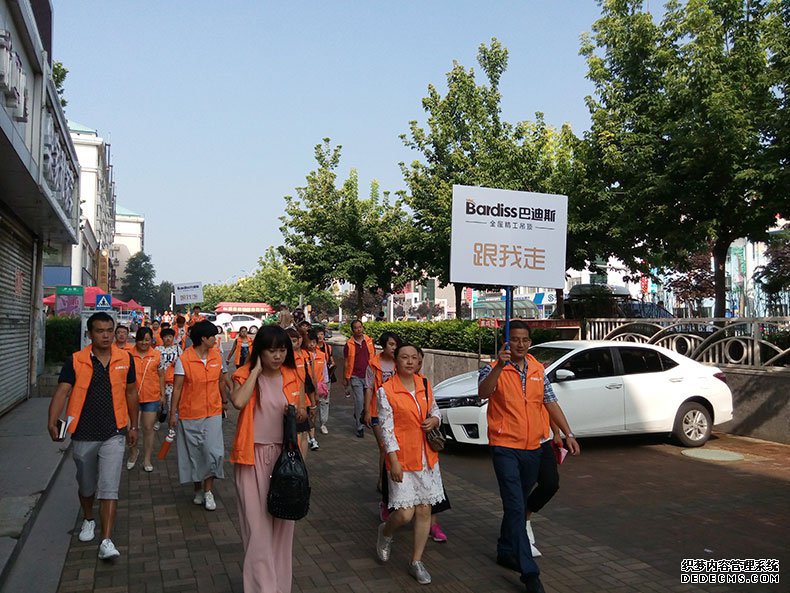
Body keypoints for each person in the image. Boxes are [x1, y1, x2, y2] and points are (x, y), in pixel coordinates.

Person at [477, 320, 580, 593]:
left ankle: (505, 549)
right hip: (505, 447)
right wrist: (499, 367)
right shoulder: (492, 368)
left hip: (533, 448)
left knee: (518, 503)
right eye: (515, 339)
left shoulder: (537, 369)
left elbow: (550, 402)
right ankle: (529, 573)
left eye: (524, 340)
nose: (520, 344)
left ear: (530, 342)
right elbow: (483, 393)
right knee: (514, 506)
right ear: (506, 342)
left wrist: (567, 433)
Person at [47, 312, 139, 560]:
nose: (106, 336)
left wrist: (134, 426)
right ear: (89, 334)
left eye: (109, 330)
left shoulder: (125, 359)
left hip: (114, 431)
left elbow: (131, 393)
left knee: (109, 487)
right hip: (83, 433)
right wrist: (52, 420)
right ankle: (88, 518)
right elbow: (62, 391)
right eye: (100, 331)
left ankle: (106, 540)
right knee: (86, 484)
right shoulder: (76, 360)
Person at [229, 325, 307, 593]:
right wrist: (255, 372)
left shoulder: (293, 376)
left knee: (283, 531)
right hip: (251, 458)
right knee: (258, 532)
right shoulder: (243, 374)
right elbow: (238, 402)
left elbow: (304, 417)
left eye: (282, 350)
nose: (277, 356)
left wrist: (298, 414)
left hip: (284, 460)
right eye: (271, 350)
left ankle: (279, 587)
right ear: (259, 351)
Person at [375, 344, 444, 585]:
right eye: (404, 357)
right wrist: (393, 461)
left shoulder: (425, 384)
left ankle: (416, 561)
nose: (410, 361)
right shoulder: (386, 391)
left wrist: (434, 419)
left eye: (414, 357)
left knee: (424, 510)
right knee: (405, 514)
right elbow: (386, 429)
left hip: (427, 458)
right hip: (402, 458)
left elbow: (435, 410)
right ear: (396, 361)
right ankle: (386, 532)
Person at [169, 320, 229, 511]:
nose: (216, 339)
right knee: (195, 454)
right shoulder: (184, 359)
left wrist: (225, 400)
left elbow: (221, 381)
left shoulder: (217, 356)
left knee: (213, 452)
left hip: (213, 411)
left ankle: (209, 491)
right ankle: (198, 490)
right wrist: (173, 413)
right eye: (213, 336)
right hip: (190, 413)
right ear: (203, 338)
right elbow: (177, 388)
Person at [362, 331, 401, 515]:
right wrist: (367, 411)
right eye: (391, 344)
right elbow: (369, 387)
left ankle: (388, 480)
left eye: (396, 345)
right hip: (377, 411)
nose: (394, 348)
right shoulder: (374, 364)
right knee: (385, 447)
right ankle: (383, 481)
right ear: (384, 346)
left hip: (397, 411)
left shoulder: (400, 362)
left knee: (391, 448)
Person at [128, 327, 165, 472]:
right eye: (141, 339)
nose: (144, 343)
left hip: (151, 397)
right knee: (131, 427)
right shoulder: (128, 355)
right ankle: (133, 453)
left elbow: (161, 375)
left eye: (147, 340)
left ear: (151, 340)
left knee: (148, 428)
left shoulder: (157, 355)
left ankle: (147, 459)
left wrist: (162, 394)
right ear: (136, 339)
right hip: (131, 398)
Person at [344, 320, 375, 438]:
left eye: (360, 327)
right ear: (352, 330)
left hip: (368, 376)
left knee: (367, 401)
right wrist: (345, 377)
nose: (358, 330)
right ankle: (359, 427)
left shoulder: (369, 341)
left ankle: (358, 413)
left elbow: (374, 358)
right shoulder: (349, 344)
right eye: (356, 328)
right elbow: (346, 362)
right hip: (355, 376)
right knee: (359, 400)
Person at [286, 327, 315, 457]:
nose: (293, 344)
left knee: (303, 432)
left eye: (294, 340)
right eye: (289, 341)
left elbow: (304, 382)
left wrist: (308, 404)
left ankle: (301, 462)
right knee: (293, 435)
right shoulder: (281, 360)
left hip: (301, 402)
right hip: (287, 405)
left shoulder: (302, 357)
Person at [304, 329, 329, 451]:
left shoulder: (321, 355)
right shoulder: (303, 355)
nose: (311, 345)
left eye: (313, 342)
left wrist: (325, 385)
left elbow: (325, 372)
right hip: (305, 389)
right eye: (309, 342)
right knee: (306, 411)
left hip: (317, 387)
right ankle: (307, 435)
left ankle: (311, 436)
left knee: (313, 412)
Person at [156, 327, 182, 429]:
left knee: (172, 403)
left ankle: (172, 424)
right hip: (160, 380)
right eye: (166, 337)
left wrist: (177, 363)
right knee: (160, 403)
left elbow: (183, 361)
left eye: (170, 336)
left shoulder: (177, 349)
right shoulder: (157, 350)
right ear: (162, 338)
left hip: (173, 381)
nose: (168, 339)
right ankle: (159, 420)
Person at [314, 326, 334, 432]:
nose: (320, 336)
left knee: (325, 401)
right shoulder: (312, 348)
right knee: (313, 402)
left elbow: (331, 359)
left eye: (322, 334)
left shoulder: (328, 347)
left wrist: (332, 363)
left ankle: (323, 423)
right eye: (318, 334)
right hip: (315, 378)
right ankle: (312, 423)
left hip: (325, 377)